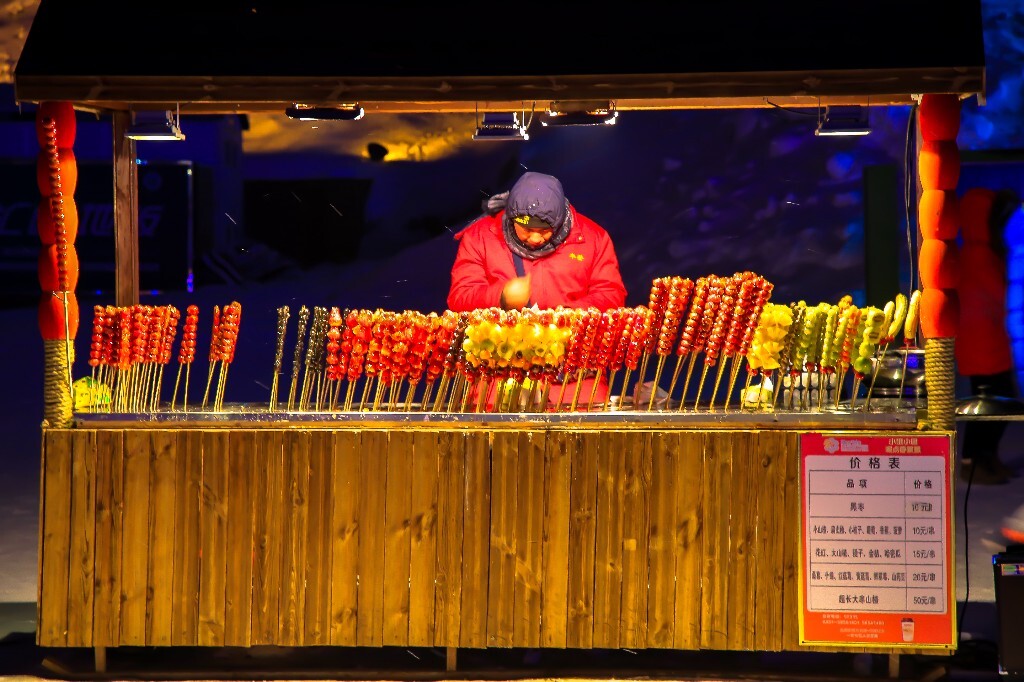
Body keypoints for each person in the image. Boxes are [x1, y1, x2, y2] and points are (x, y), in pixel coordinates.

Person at [447, 171, 627, 407]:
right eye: (525, 229)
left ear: (561, 220)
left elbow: (612, 295)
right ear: (512, 217)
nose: (534, 238)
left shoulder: (592, 238)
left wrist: (566, 317)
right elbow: (459, 297)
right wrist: (501, 296)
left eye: (544, 231)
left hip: (574, 381)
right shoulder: (480, 237)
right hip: (499, 378)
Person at [956, 188, 1022, 485]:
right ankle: (972, 461)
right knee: (988, 405)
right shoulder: (980, 255)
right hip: (984, 346)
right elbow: (999, 294)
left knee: (996, 402)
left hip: (988, 343)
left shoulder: (978, 252)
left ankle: (986, 457)